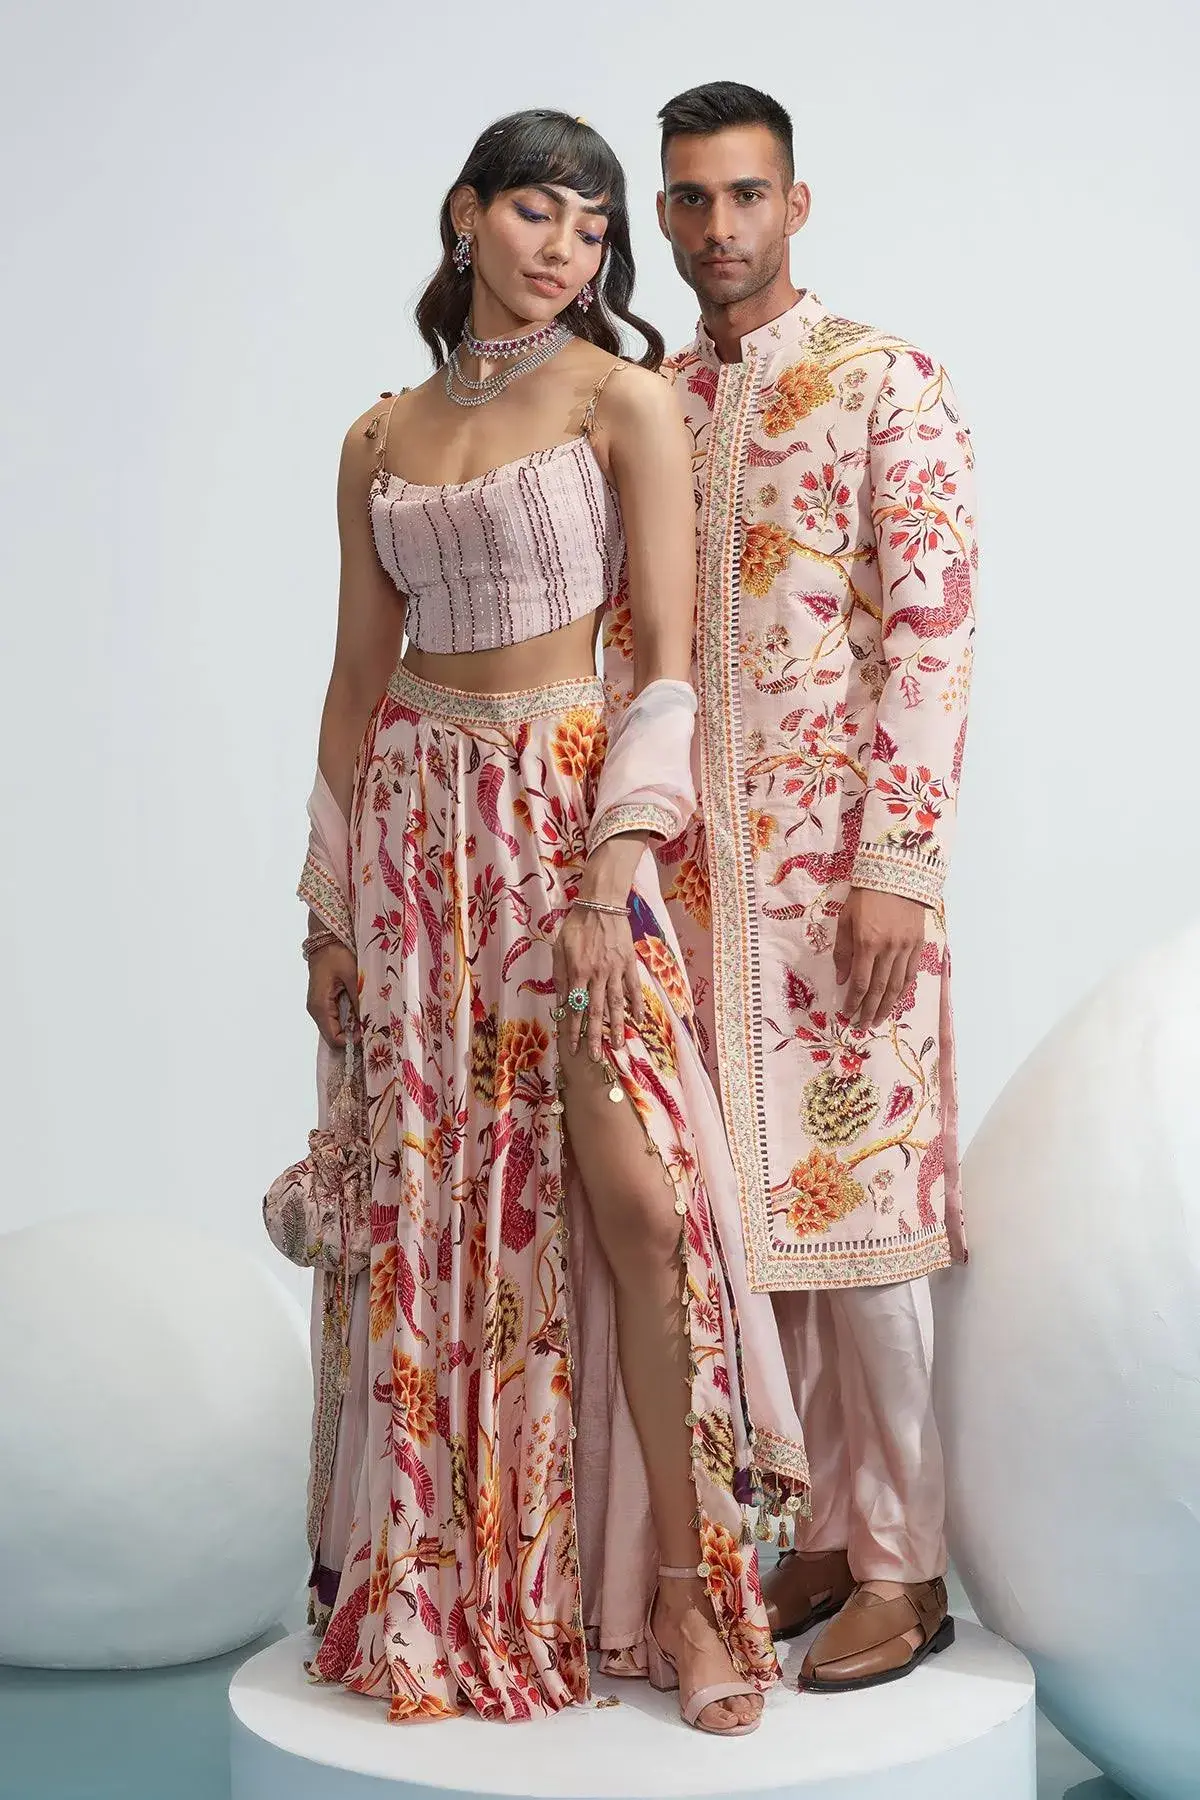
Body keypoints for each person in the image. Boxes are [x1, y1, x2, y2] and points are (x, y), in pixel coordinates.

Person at [294, 109, 809, 1733]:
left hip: (564, 821)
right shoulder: (377, 436)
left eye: (594, 229)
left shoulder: (619, 397)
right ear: (466, 213)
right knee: (438, 1216)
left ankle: (693, 1599)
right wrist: (324, 913)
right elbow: (355, 680)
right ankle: (454, 1581)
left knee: (640, 1203)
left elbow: (666, 658)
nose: (566, 251)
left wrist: (612, 871)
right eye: (538, 212)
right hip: (415, 842)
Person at [604, 81, 977, 1692]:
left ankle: (909, 1566)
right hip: (700, 891)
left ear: (796, 205)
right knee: (755, 1225)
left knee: (867, 1220)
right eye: (690, 198)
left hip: (844, 888)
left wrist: (898, 863)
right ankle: (821, 1531)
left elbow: (935, 634)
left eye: (746, 195)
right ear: (663, 213)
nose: (718, 227)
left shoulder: (885, 381)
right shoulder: (656, 405)